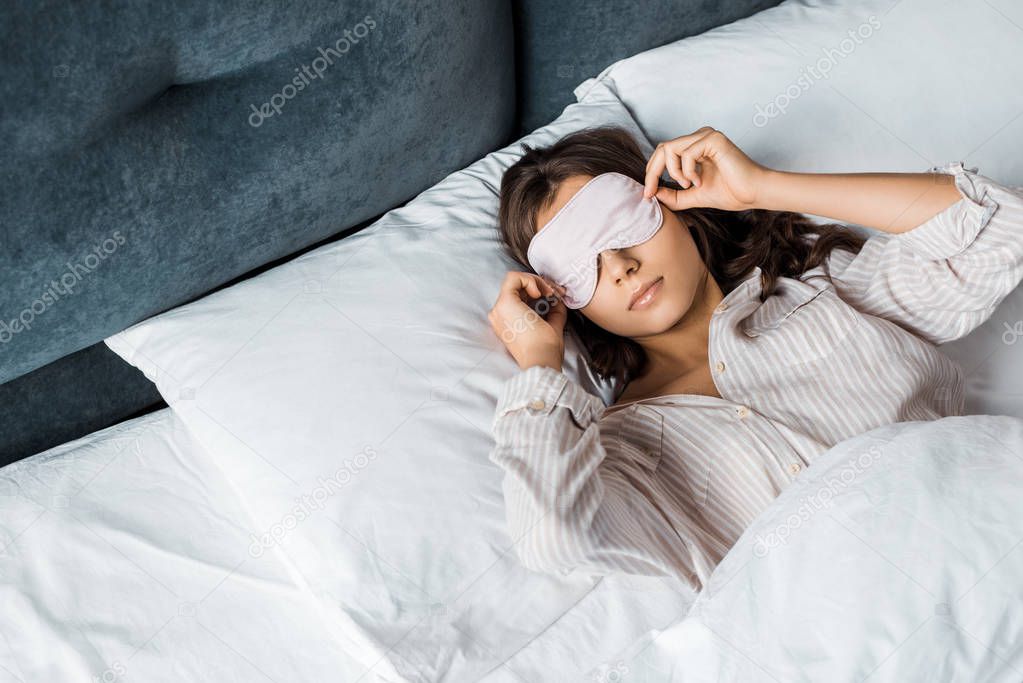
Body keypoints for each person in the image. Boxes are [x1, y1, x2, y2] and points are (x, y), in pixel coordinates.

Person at [486, 125, 1023, 590]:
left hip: (992, 531)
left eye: (621, 225)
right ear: (560, 300)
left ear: (679, 207)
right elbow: (550, 539)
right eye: (582, 267)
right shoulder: (621, 454)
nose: (622, 266)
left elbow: (1005, 229)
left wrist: (761, 186)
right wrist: (539, 361)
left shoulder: (827, 290)